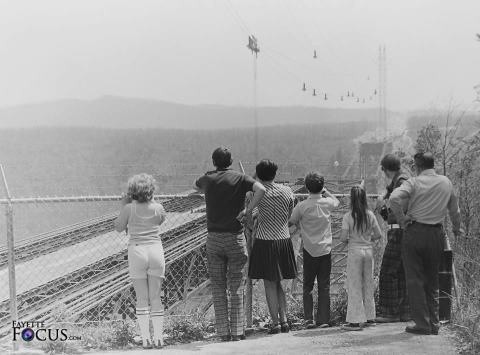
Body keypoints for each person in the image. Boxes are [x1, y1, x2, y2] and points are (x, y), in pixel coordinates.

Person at [194, 147, 265, 341]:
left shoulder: (208, 179)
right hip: (235, 237)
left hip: (214, 239)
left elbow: (196, 186)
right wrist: (248, 210)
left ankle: (222, 332)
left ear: (214, 161)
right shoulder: (240, 178)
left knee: (218, 285)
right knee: (236, 285)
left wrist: (209, 185)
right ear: (231, 161)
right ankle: (237, 331)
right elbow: (261, 189)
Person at [390, 152, 463, 335]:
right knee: (432, 279)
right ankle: (434, 323)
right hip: (436, 234)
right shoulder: (446, 182)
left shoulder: (413, 182)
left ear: (417, 165)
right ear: (432, 164)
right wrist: (456, 228)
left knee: (415, 279)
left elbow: (393, 199)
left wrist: (402, 218)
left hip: (414, 233)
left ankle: (422, 323)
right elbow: (455, 210)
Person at [114, 174, 166, 349]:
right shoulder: (158, 207)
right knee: (156, 297)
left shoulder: (129, 208)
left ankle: (146, 340)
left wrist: (123, 205)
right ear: (151, 190)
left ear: (131, 192)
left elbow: (119, 227)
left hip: (137, 250)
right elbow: (160, 219)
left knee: (142, 298)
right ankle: (159, 339)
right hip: (155, 250)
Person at [248, 160, 297, 334]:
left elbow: (251, 217)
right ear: (275, 174)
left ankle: (275, 323)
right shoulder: (287, 191)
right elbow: (290, 213)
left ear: (259, 175)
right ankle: (284, 321)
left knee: (269, 284)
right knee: (279, 283)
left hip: (265, 240)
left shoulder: (258, 193)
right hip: (283, 239)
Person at [289, 172, 340, 329]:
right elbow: (336, 201)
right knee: (324, 285)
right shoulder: (327, 203)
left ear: (306, 187)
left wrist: (298, 226)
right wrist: (325, 191)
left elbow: (291, 221)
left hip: (309, 250)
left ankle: (308, 319)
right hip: (325, 249)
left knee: (308, 286)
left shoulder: (302, 206)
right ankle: (323, 319)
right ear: (322, 186)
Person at [340, 185, 383, 331]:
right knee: (368, 284)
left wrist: (351, 240)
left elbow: (343, 238)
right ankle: (370, 318)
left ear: (351, 199)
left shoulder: (348, 216)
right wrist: (367, 239)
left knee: (355, 285)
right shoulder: (370, 215)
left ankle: (354, 321)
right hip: (368, 251)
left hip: (355, 252)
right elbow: (378, 234)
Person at [376, 154, 410, 323]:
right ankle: (404, 312)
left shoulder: (402, 181)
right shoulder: (398, 181)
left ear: (387, 169)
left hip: (399, 232)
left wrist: (386, 205)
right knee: (401, 272)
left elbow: (401, 205)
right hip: (400, 231)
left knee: (388, 272)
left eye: (383, 170)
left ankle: (390, 312)